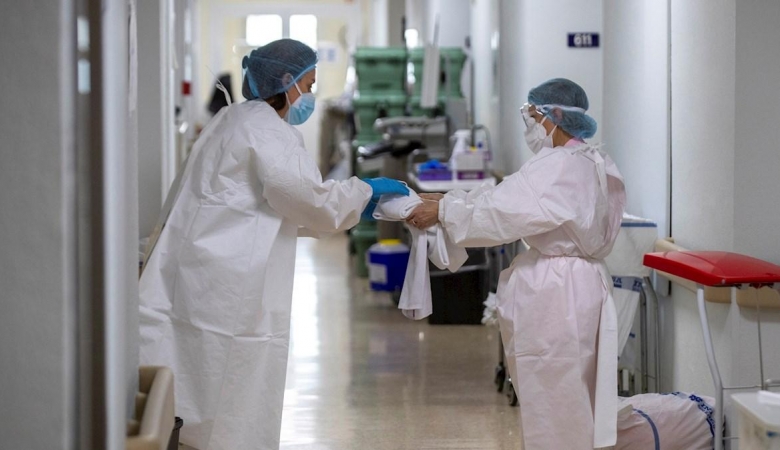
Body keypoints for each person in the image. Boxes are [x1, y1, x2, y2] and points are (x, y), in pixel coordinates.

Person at [138, 39, 409, 450]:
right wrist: (364, 192)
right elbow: (311, 202)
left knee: (192, 377)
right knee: (228, 385)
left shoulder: (230, 119)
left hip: (197, 267)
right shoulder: (269, 132)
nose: (311, 95)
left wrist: (354, 205)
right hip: (227, 280)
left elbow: (264, 209)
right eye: (310, 84)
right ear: (288, 83)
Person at [406, 78, 626, 449]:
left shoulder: (556, 167)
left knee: (554, 396)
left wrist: (444, 210)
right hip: (581, 288)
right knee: (571, 393)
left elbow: (499, 214)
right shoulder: (588, 159)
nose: (529, 124)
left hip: (559, 295)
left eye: (532, 114)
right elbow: (507, 195)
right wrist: (448, 200)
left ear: (554, 115)